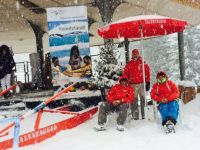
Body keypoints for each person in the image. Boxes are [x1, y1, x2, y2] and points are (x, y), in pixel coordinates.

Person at [122, 49, 150, 120]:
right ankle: (135, 115)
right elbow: (125, 74)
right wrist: (125, 83)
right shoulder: (129, 64)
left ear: (138, 54)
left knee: (143, 99)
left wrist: (148, 82)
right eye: (133, 54)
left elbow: (147, 73)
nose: (135, 55)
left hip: (141, 84)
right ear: (132, 55)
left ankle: (144, 114)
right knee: (133, 100)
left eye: (136, 54)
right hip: (132, 85)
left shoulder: (143, 63)